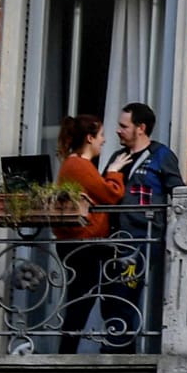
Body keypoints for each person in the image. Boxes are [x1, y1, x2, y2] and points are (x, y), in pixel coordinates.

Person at [100, 102, 183, 352]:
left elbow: (178, 191)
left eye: (124, 126)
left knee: (128, 293)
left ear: (141, 128)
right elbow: (105, 193)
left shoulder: (161, 155)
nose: (118, 131)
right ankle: (115, 343)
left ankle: (120, 349)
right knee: (108, 296)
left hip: (142, 238)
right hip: (114, 238)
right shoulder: (117, 158)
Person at [49, 114, 127, 352]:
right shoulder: (78, 165)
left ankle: (68, 350)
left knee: (82, 297)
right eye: (101, 135)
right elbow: (111, 194)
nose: (103, 141)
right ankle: (67, 352)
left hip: (79, 243)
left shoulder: (75, 165)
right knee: (82, 298)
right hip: (82, 243)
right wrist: (114, 171)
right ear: (90, 137)